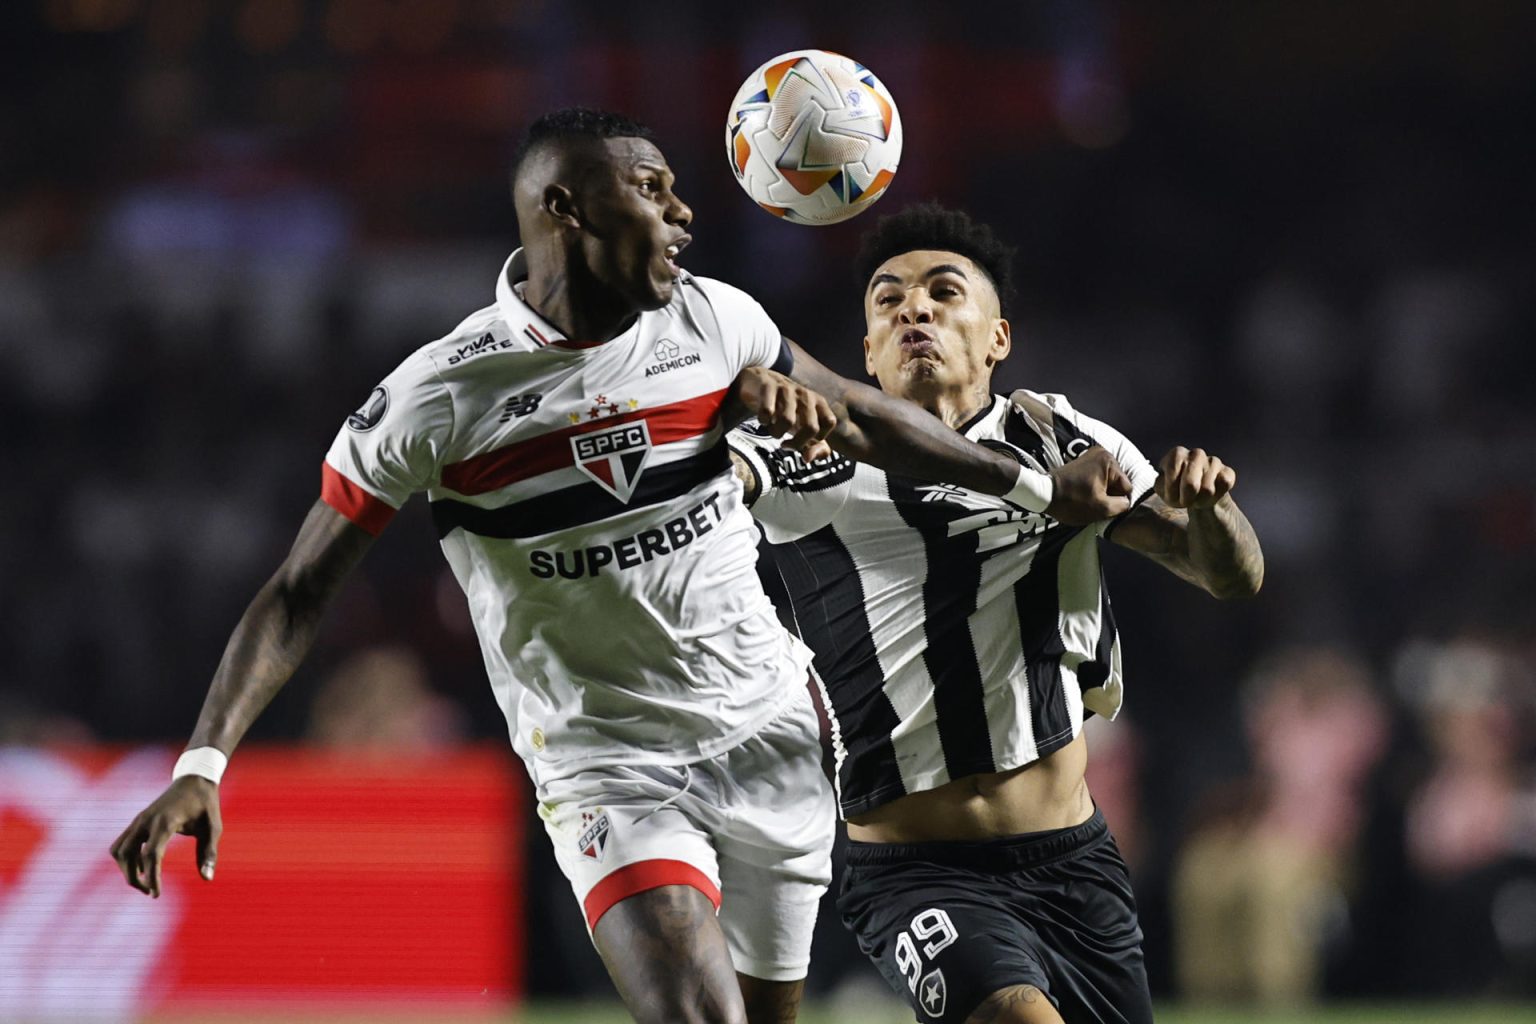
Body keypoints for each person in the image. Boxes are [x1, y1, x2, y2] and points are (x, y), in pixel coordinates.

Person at [109, 112, 1132, 1024]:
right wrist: (203, 763)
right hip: (608, 760)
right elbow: (300, 589)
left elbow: (863, 417)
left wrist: (1037, 490)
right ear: (565, 206)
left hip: (770, 730)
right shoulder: (440, 396)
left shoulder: (712, 321)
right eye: (652, 188)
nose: (684, 211)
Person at [728, 203, 1265, 1024]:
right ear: (866, 350)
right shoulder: (807, 453)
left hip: (1074, 861)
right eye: (888, 299)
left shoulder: (1058, 439)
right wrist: (721, 419)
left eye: (945, 292)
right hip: (914, 870)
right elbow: (692, 490)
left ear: (997, 339)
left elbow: (1230, 577)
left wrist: (1213, 508)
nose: (915, 308)